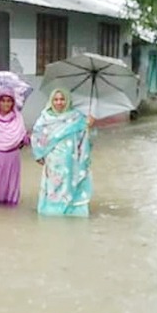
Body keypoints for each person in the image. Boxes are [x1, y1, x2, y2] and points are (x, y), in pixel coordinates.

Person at [31, 88, 94, 217]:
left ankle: (71, 210)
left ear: (67, 100)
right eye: (56, 99)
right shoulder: (45, 119)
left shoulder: (77, 117)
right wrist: (39, 155)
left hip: (72, 160)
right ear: (51, 101)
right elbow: (36, 137)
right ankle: (52, 211)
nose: (59, 102)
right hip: (53, 160)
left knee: (70, 184)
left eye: (62, 99)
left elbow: (86, 139)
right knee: (53, 186)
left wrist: (88, 126)